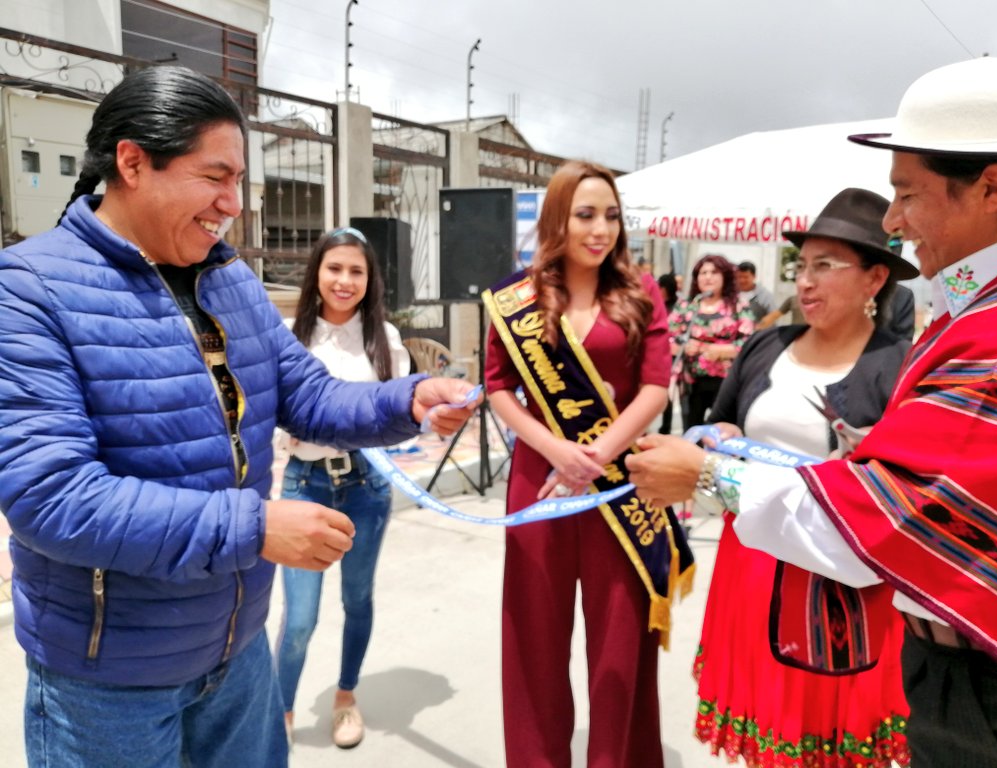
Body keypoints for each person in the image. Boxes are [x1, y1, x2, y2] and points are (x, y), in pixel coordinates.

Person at [0, 66, 477, 768]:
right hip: (109, 681)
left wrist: (404, 399)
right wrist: (254, 527)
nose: (233, 204)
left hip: (237, 653)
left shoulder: (230, 280)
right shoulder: (30, 289)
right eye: (214, 177)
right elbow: (53, 498)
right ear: (132, 162)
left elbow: (308, 396)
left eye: (239, 181)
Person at [626, 57, 997, 767]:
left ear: (992, 187)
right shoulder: (965, 314)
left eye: (907, 193)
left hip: (971, 675)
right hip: (812, 586)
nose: (895, 220)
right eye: (802, 265)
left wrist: (709, 477)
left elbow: (882, 516)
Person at [691, 188, 917, 766]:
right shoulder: (765, 347)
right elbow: (721, 422)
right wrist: (715, 438)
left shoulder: (900, 366)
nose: (806, 282)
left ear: (874, 279)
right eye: (802, 266)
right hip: (751, 561)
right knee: (765, 718)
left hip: (838, 579)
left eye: (826, 265)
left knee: (829, 730)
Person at [484, 160, 689, 768]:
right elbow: (498, 386)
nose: (601, 229)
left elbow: (656, 386)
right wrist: (556, 450)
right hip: (540, 483)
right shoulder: (517, 299)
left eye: (611, 216)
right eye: (585, 215)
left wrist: (599, 453)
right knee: (533, 641)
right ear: (557, 219)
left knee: (620, 646)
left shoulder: (640, 291)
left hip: (618, 482)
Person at [273, 227, 410, 749]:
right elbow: (266, 409)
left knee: (357, 599)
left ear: (370, 279)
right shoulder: (289, 336)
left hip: (365, 487)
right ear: (317, 274)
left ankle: (346, 697)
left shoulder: (385, 340)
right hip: (304, 483)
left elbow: (397, 417)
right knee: (299, 617)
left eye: (357, 270)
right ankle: (281, 710)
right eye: (334, 268)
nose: (344, 281)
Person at [667, 254, 755, 431]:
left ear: (724, 276)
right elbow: (667, 338)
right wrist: (683, 346)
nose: (708, 277)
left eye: (714, 272)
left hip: (726, 383)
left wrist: (721, 350)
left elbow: (748, 343)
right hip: (691, 382)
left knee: (723, 433)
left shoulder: (738, 306)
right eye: (703, 272)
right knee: (691, 433)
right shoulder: (686, 305)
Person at [657, 273, 680, 433]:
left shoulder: (678, 307)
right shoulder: (658, 304)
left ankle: (666, 426)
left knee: (669, 391)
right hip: (664, 353)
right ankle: (665, 426)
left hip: (674, 354)